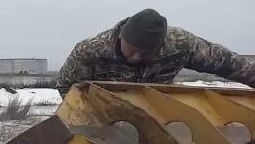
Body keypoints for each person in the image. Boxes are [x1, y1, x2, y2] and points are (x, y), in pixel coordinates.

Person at [56, 8, 255, 96]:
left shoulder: (180, 44)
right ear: (122, 37)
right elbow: (66, 85)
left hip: (156, 112)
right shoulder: (89, 51)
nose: (136, 58)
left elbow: (228, 63)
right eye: (132, 50)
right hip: (104, 113)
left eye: (145, 53)